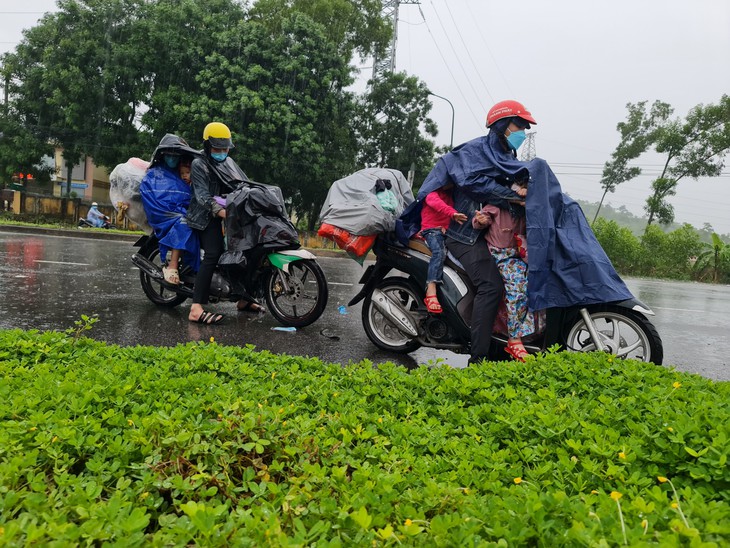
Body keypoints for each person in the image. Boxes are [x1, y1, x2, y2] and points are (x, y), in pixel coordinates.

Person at [401, 99, 537, 364]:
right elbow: (473, 183)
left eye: (524, 127)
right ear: (501, 126)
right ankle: (479, 358)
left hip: (490, 236)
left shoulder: (508, 157)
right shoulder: (474, 152)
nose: (522, 132)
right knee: (492, 285)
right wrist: (512, 196)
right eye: (518, 125)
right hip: (464, 234)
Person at [186, 122, 264, 325]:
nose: (221, 152)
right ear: (207, 146)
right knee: (214, 253)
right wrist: (222, 213)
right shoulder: (199, 164)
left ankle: (243, 300)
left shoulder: (228, 162)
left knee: (245, 251)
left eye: (225, 148)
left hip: (228, 214)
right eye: (217, 148)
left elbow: (243, 184)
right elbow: (202, 197)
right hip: (204, 217)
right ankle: (195, 308)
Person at [472, 185, 534, 362]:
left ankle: (524, 333)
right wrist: (481, 220)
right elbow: (478, 221)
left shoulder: (527, 208)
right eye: (518, 186)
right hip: (500, 255)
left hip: (520, 256)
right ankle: (514, 338)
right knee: (517, 287)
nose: (521, 190)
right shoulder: (498, 205)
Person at [139, 134, 201, 285]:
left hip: (183, 211)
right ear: (163, 155)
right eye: (169, 154)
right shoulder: (154, 174)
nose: (172, 158)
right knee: (183, 223)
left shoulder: (184, 170)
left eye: (176, 155)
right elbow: (150, 196)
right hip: (162, 214)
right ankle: (172, 265)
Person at [420, 183, 467, 313]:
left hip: (445, 232)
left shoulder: (452, 196)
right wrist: (453, 214)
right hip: (431, 231)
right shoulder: (431, 193)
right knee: (439, 252)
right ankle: (431, 289)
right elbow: (437, 204)